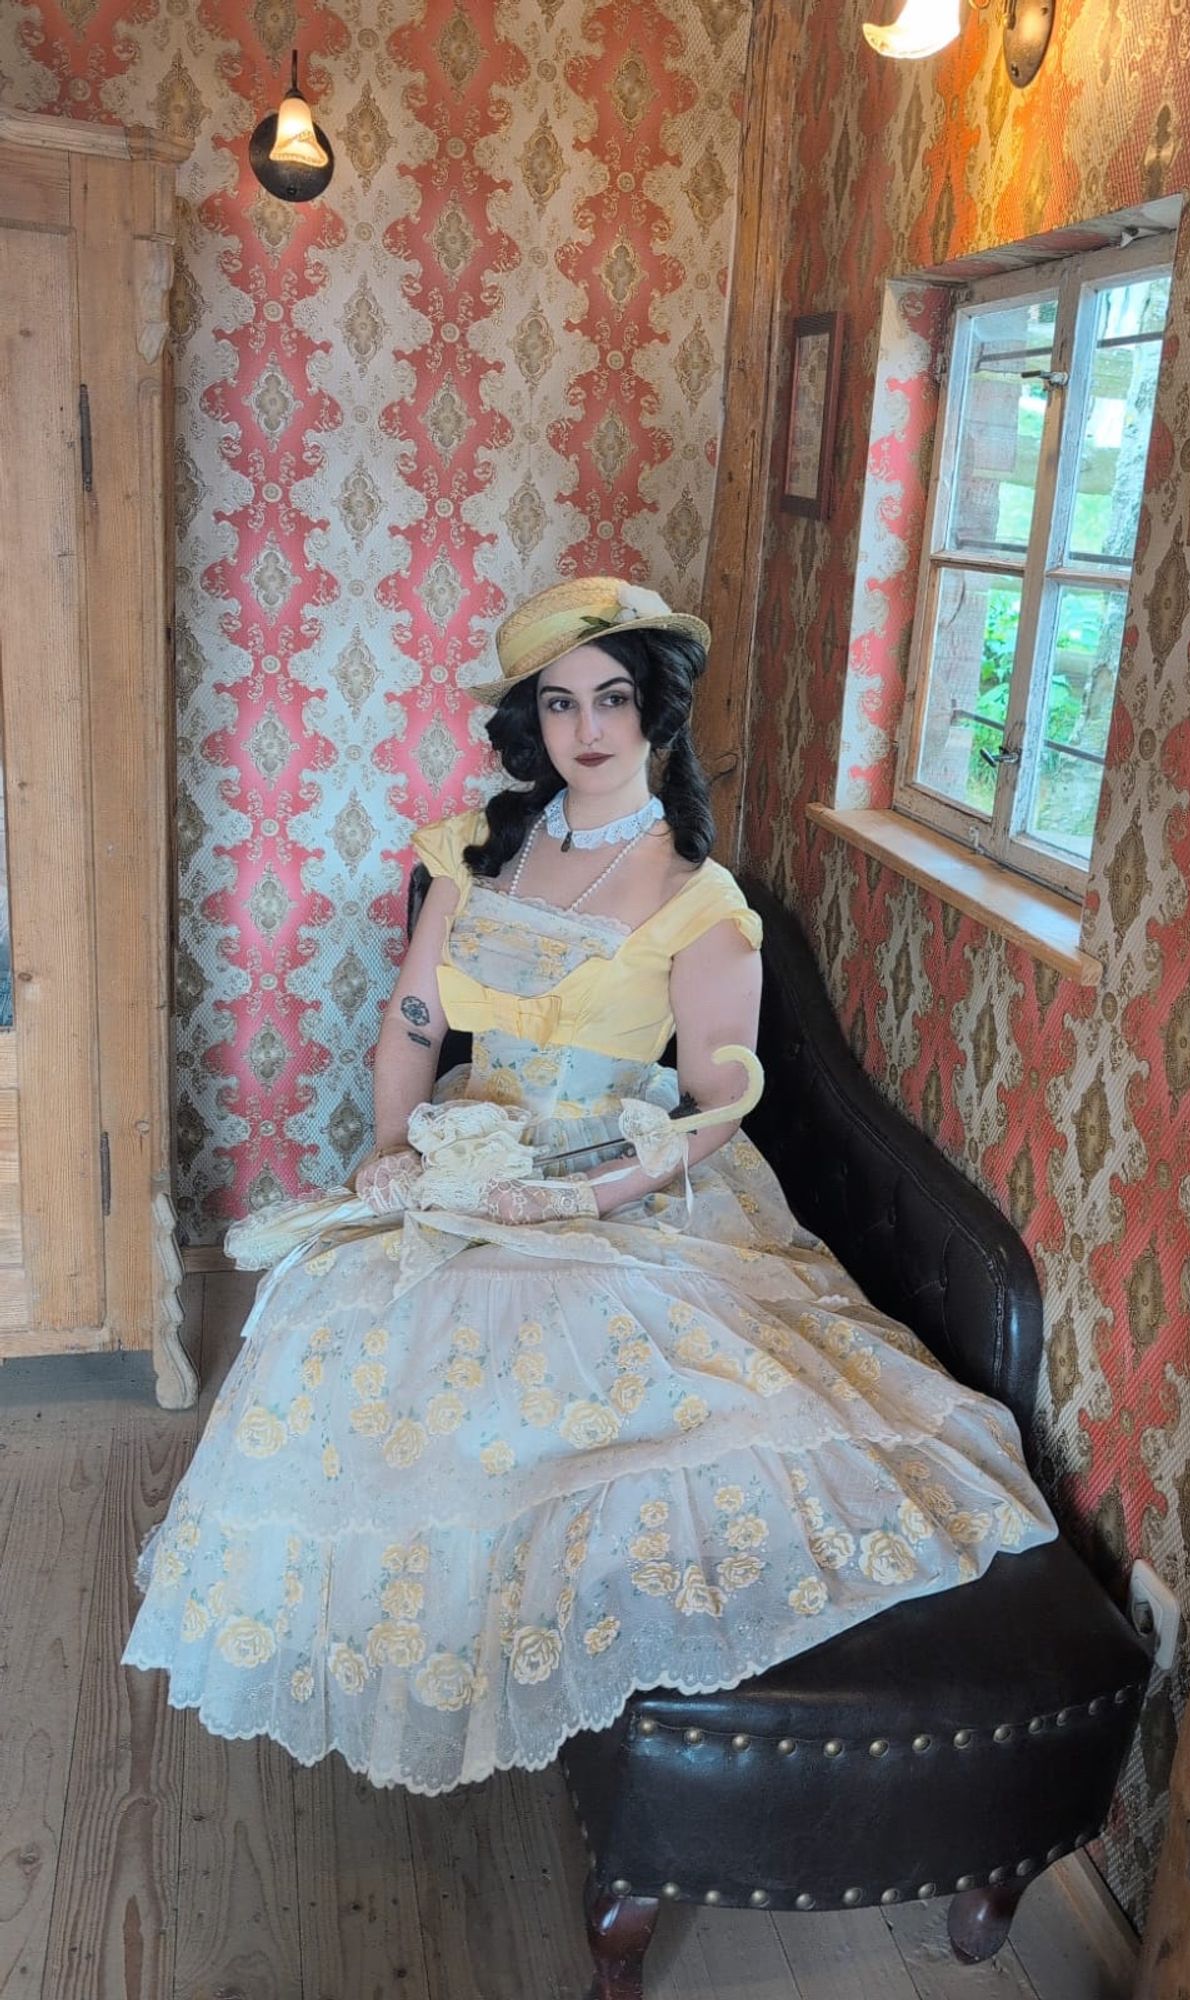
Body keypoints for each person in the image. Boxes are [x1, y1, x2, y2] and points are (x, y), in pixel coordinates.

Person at [123, 576, 1056, 1791]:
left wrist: (581, 1199)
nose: (588, 729)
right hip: (467, 1147)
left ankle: (540, 1626)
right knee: (340, 1327)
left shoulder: (697, 899)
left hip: (621, 1176)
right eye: (559, 703)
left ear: (657, 712)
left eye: (614, 697)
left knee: (577, 1380)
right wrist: (393, 1141)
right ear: (531, 723)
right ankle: (423, 1630)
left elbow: (720, 1102)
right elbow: (414, 1016)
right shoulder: (471, 849)